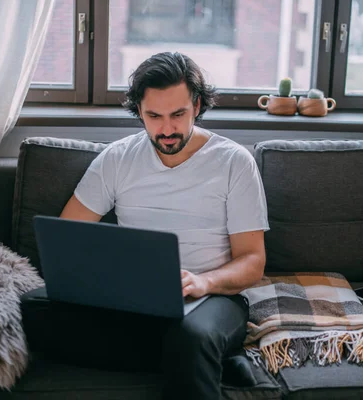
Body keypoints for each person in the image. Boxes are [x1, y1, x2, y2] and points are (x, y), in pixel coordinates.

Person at [20, 52, 269, 400]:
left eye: (178, 114)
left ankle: (199, 351)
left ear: (197, 106)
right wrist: (106, 283)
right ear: (139, 110)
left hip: (212, 298)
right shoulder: (117, 158)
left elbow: (252, 261)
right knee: (31, 310)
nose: (166, 130)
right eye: (154, 116)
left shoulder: (234, 162)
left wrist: (202, 281)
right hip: (133, 300)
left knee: (192, 337)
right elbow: (69, 236)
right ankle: (209, 359)